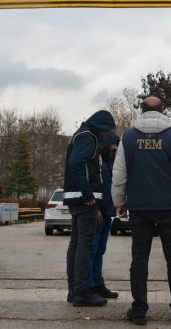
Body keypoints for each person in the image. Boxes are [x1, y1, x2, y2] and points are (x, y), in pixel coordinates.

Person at [112, 96, 171, 326]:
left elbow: (119, 173)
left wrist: (119, 201)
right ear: (162, 111)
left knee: (139, 259)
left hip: (139, 207)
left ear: (142, 111)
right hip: (170, 206)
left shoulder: (128, 136)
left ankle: (139, 311)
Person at [64, 110, 116, 307]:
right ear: (101, 126)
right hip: (84, 199)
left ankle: (74, 291)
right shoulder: (88, 136)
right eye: (107, 130)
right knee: (85, 245)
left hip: (75, 198)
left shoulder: (82, 134)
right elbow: (76, 164)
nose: (106, 135)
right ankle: (82, 292)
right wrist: (88, 195)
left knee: (77, 244)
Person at [88, 131, 120, 299]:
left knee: (100, 249)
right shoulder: (97, 161)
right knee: (92, 250)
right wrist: (96, 208)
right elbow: (94, 185)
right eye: (112, 144)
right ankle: (90, 285)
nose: (115, 147)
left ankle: (99, 283)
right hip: (99, 210)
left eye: (116, 144)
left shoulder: (110, 162)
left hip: (108, 210)